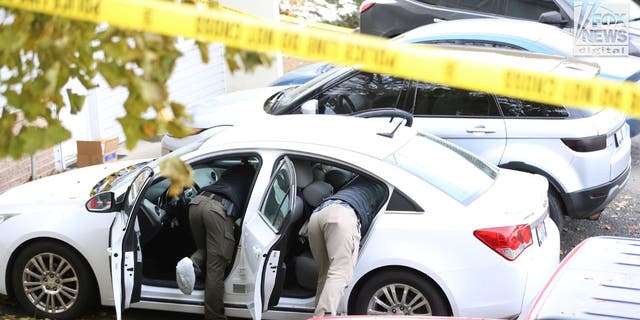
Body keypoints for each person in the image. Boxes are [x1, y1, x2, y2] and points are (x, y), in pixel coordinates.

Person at [176, 162, 255, 320]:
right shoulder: (255, 177)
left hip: (197, 202)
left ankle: (192, 264)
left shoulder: (233, 170)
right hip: (218, 210)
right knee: (216, 266)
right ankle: (214, 316)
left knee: (205, 248)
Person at [306, 175, 385, 317]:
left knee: (326, 274)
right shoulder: (384, 185)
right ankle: (323, 317)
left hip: (318, 214)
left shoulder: (358, 177)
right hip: (342, 215)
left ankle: (318, 314)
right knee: (339, 273)